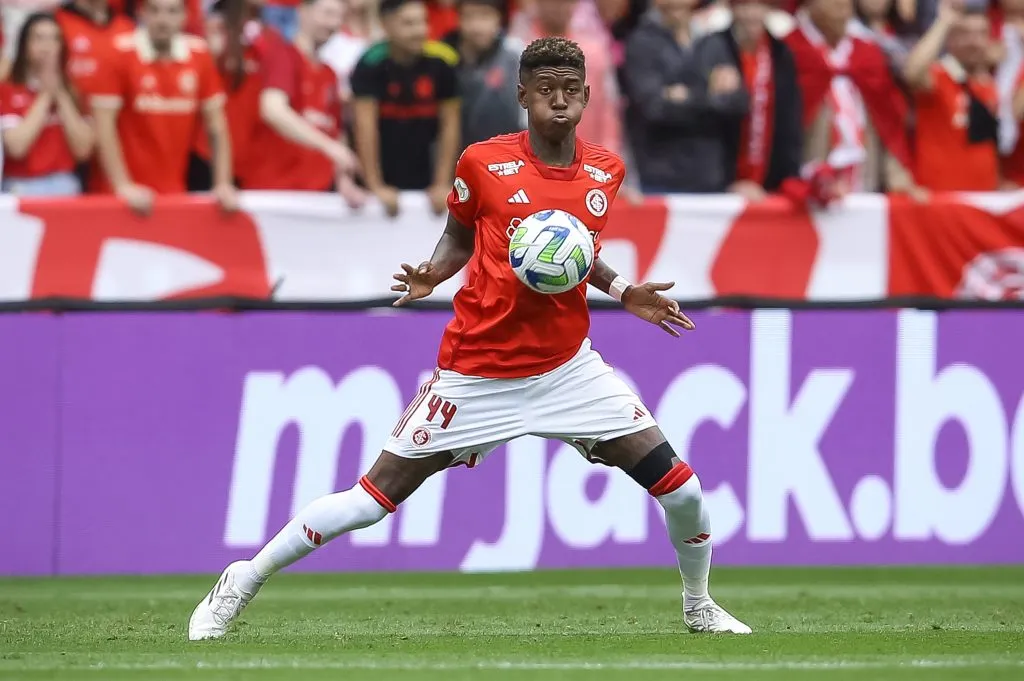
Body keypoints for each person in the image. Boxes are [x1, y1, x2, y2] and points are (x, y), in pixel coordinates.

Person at [188, 35, 751, 641]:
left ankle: (699, 606)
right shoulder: (483, 163)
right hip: (477, 372)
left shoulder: (603, 171)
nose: (558, 101)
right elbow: (458, 237)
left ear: (587, 96)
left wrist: (621, 289)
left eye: (569, 90)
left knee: (684, 491)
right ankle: (241, 580)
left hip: (567, 369)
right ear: (523, 96)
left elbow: (573, 249)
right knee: (368, 502)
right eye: (545, 90)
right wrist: (432, 271)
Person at [91, 0, 236, 213]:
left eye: (171, 11)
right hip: (119, 197)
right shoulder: (117, 53)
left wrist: (223, 183)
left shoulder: (199, 55)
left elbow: (217, 126)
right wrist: (123, 186)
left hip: (174, 193)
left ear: (184, 16)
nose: (163, 20)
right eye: (155, 10)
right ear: (142, 13)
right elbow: (104, 127)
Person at [786, 0, 919, 195]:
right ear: (808, 5)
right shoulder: (788, 50)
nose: (842, 4)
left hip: (864, 178)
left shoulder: (867, 53)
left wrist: (897, 175)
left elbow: (889, 119)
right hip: (806, 179)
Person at [240, 0, 365, 200]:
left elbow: (335, 132)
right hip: (274, 194)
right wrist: (328, 147)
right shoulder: (282, 55)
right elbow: (273, 110)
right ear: (303, 12)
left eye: (339, 17)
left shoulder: (330, 74)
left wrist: (343, 179)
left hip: (317, 195)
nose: (333, 23)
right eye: (327, 14)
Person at [623, 0, 747, 193]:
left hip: (712, 177)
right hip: (661, 178)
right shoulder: (641, 42)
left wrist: (685, 95)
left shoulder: (713, 41)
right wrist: (711, 96)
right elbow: (654, 109)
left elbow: (738, 103)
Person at [351, 0, 461, 216]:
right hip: (385, 170)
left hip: (425, 173)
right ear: (386, 24)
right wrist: (375, 184)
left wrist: (442, 182)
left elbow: (450, 126)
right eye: (408, 23)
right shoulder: (370, 63)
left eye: (423, 22)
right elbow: (365, 127)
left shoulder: (443, 61)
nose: (419, 30)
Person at [692, 0, 802, 201]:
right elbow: (702, 117)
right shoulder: (712, 47)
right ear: (733, 8)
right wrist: (724, 182)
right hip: (720, 185)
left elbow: (790, 121)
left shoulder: (781, 54)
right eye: (745, 5)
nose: (752, 14)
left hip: (771, 184)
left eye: (759, 5)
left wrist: (788, 178)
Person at [904, 0, 1000, 191]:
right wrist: (943, 22)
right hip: (942, 201)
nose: (975, 41)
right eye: (966, 34)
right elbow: (912, 72)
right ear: (950, 40)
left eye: (981, 34)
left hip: (984, 201)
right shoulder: (939, 76)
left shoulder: (991, 84)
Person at [0, 12, 94, 196]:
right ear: (24, 45)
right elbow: (16, 147)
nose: (47, 47)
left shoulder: (74, 90)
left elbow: (83, 149)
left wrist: (60, 94)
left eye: (54, 39)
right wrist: (45, 95)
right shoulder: (8, 89)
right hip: (20, 185)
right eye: (38, 38)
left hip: (66, 184)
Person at [446, 0, 526, 148]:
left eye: (485, 16)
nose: (476, 26)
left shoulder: (515, 54)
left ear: (499, 18)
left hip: (506, 153)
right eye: (469, 16)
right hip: (459, 156)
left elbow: (526, 115)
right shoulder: (445, 55)